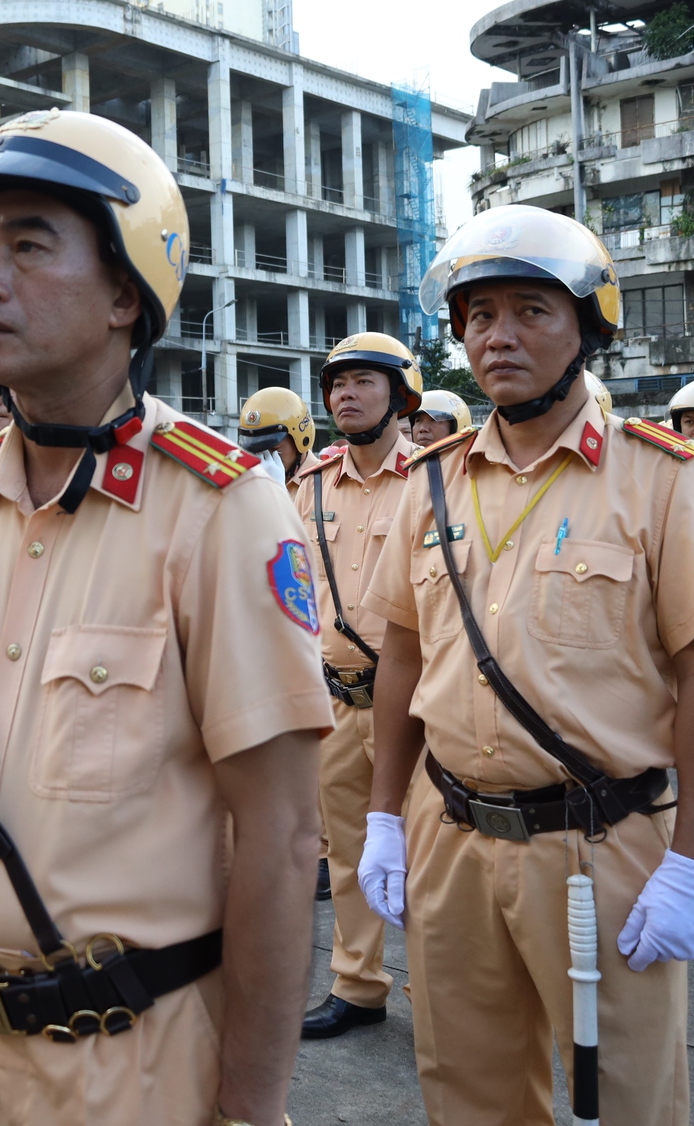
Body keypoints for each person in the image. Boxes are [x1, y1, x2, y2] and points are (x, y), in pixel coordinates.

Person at [0, 109, 329, 1126]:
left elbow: (281, 834)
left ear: (127, 292)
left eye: (29, 246)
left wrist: (251, 1107)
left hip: (135, 1060)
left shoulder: (217, 510)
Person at [358, 205, 694, 1125]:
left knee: (623, 1096)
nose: (498, 337)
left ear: (587, 327)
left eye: (531, 311)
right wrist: (383, 816)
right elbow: (403, 655)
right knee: (466, 1089)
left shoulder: (662, 475)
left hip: (599, 842)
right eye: (480, 315)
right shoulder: (431, 480)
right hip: (450, 833)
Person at [291, 333, 422, 1042]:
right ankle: (357, 984)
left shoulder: (432, 477)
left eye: (364, 381)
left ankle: (440, 989)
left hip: (419, 707)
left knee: (428, 853)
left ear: (400, 394)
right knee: (346, 850)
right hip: (337, 698)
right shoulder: (309, 486)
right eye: (337, 383)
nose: (346, 394)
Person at [237, 386, 316, 486]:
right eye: (256, 451)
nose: (265, 459)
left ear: (300, 439)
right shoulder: (249, 482)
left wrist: (276, 489)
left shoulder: (325, 482)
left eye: (274, 449)